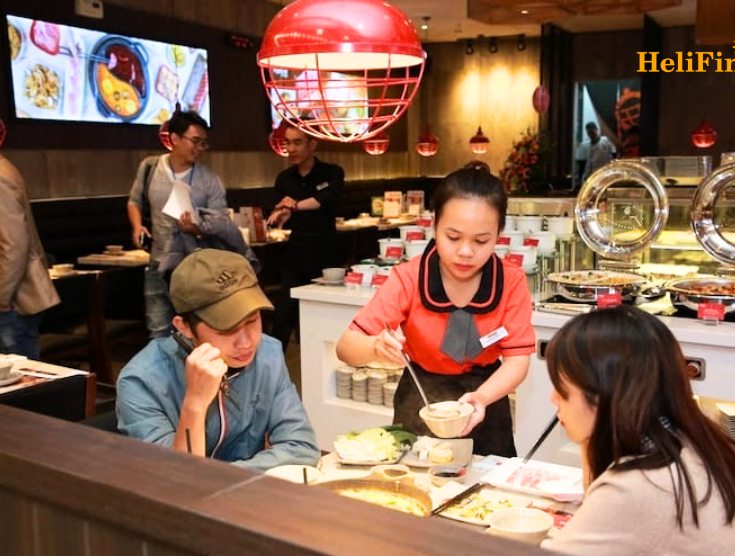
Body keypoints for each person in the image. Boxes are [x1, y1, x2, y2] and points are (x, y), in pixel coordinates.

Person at [540, 306, 735, 556]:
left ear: (603, 396)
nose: (553, 398)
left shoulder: (640, 487)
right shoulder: (699, 440)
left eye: (562, 389)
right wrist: (592, 433)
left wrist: (590, 432)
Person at [335, 166, 535, 457]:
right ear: (434, 226)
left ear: (498, 234)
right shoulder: (409, 278)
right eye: (453, 237)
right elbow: (346, 348)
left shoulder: (510, 281)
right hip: (420, 395)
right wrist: (375, 347)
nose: (465, 251)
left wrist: (481, 398)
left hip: (486, 401)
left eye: (481, 240)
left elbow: (517, 361)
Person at [117, 248, 320, 472]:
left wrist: (221, 477)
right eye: (226, 330)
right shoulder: (141, 381)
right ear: (184, 327)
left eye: (252, 320)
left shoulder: (267, 353)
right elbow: (179, 478)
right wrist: (194, 403)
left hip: (245, 488)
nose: (246, 342)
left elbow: (301, 449)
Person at [127, 110, 227, 338]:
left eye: (203, 143)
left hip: (195, 267)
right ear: (174, 138)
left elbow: (221, 221)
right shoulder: (150, 168)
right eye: (195, 141)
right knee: (158, 330)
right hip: (159, 263)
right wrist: (137, 226)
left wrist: (197, 228)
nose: (199, 148)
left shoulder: (209, 180)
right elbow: (134, 201)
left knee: (197, 332)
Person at [265, 124, 344, 351]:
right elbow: (274, 215)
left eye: (297, 142)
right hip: (295, 253)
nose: (291, 148)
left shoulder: (332, 172)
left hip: (326, 253)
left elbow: (324, 199)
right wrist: (281, 210)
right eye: (287, 143)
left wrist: (295, 206)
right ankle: (274, 362)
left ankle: (333, 358)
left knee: (327, 312)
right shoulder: (284, 178)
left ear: (312, 144)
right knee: (283, 315)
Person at [0, 151, 59, 359]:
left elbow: (14, 245)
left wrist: (1, 297)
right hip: (13, 300)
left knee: (17, 374)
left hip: (14, 302)